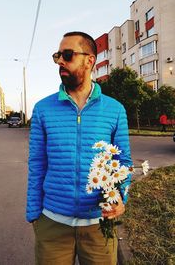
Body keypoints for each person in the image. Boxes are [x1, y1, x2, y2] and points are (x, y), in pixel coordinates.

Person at [26, 31, 133, 265]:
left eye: (67, 54)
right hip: (52, 224)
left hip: (98, 227)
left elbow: (123, 163)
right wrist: (34, 214)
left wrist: (119, 197)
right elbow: (37, 163)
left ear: (90, 60)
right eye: (57, 56)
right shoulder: (43, 109)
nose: (60, 61)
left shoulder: (115, 110)